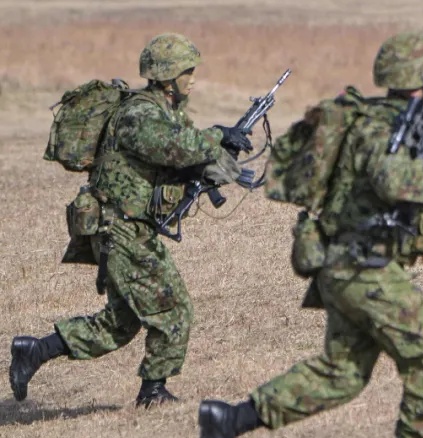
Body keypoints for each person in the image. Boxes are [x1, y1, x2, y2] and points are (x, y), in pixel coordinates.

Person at [197, 32, 423, 438]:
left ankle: (230, 419)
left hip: (344, 264)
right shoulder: (384, 130)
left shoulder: (393, 119)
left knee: (342, 374)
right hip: (364, 267)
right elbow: (395, 180)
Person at [8, 33, 247, 407]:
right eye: (188, 71)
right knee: (173, 308)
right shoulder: (141, 114)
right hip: (119, 227)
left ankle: (34, 350)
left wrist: (221, 154)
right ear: (168, 77)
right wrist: (219, 135)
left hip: (126, 225)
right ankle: (153, 393)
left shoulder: (163, 112)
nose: (194, 79)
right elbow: (178, 147)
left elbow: (177, 159)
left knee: (120, 323)